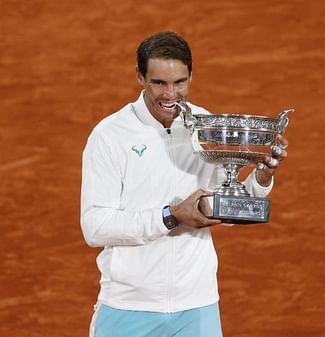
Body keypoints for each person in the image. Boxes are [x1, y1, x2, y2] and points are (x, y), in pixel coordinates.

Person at [80, 31, 288, 337]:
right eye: (159, 83)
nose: (170, 95)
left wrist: (260, 178)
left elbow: (223, 208)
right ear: (140, 77)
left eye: (180, 82)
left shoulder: (205, 126)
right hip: (130, 308)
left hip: (197, 307)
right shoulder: (111, 135)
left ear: (191, 76)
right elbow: (96, 227)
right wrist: (170, 216)